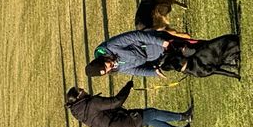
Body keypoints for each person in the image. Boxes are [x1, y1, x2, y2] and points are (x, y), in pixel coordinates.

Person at [85, 29, 239, 79]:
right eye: (107, 71)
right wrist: (154, 72)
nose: (110, 67)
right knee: (195, 62)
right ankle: (228, 60)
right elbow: (136, 70)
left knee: (196, 48)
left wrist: (162, 42)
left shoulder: (112, 46)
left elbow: (137, 36)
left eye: (106, 65)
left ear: (102, 59)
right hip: (157, 57)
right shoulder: (117, 67)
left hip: (157, 43)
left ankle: (230, 47)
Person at [65, 81, 193, 127]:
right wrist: (127, 87)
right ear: (79, 95)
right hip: (124, 125)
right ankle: (184, 117)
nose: (83, 89)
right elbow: (116, 102)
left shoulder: (80, 113)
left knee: (147, 119)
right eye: (81, 90)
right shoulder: (91, 104)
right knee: (151, 113)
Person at [158, 34, 240, 78]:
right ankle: (232, 64)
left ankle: (233, 63)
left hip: (230, 44)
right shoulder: (192, 66)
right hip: (227, 43)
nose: (183, 56)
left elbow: (214, 70)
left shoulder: (195, 70)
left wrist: (233, 75)